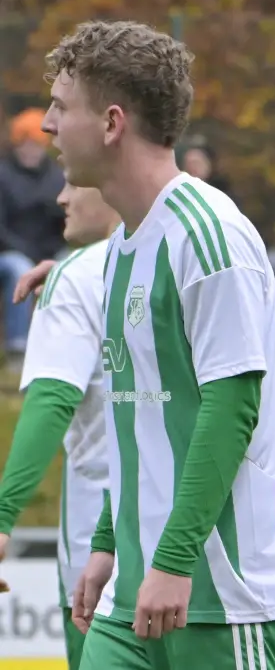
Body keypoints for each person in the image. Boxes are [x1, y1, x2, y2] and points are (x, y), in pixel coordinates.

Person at [31, 20, 275, 669]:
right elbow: (139, 422)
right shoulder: (120, 254)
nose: (48, 125)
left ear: (111, 123)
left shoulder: (210, 237)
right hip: (136, 592)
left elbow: (231, 412)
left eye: (61, 106)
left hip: (230, 596)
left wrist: (172, 559)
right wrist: (109, 544)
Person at [0, 181, 120, 669]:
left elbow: (52, 402)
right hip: (194, 543)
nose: (60, 198)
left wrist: (3, 516)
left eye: (74, 180)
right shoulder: (184, 252)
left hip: (101, 553)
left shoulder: (82, 275)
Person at [0, 107, 68, 354]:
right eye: (24, 144)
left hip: (50, 250)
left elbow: (65, 224)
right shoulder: (3, 175)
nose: (30, 150)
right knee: (20, 268)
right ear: (16, 145)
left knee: (70, 265)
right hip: (10, 252)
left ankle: (60, 344)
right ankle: (17, 345)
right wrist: (27, 253)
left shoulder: (57, 176)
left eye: (36, 145)